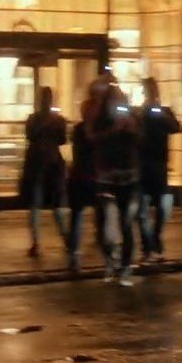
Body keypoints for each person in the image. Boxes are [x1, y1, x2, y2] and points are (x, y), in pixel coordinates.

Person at [90, 79, 143, 286]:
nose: (116, 104)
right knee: (107, 227)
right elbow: (93, 139)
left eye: (119, 100)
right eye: (112, 100)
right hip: (107, 178)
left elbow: (141, 141)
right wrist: (114, 129)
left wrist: (132, 128)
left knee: (126, 224)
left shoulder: (132, 118)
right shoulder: (101, 120)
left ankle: (126, 267)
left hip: (128, 177)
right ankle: (110, 260)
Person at [64, 76, 111, 275]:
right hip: (88, 176)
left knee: (91, 217)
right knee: (91, 217)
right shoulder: (93, 125)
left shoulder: (89, 124)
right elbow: (90, 143)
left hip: (89, 176)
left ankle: (79, 255)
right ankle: (82, 255)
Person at [135, 77, 181, 265]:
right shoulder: (139, 113)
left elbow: (175, 127)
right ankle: (149, 247)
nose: (150, 94)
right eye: (147, 90)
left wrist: (160, 114)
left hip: (159, 163)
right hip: (142, 163)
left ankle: (155, 241)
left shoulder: (163, 111)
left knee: (162, 206)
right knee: (143, 208)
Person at [21, 85, 68, 258]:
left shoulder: (34, 119)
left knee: (39, 205)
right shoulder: (56, 120)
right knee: (55, 206)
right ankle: (65, 240)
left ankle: (37, 242)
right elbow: (61, 139)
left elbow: (30, 136)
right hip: (51, 163)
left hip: (39, 164)